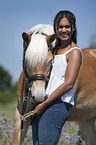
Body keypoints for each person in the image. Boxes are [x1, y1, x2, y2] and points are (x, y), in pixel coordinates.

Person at [31, 10, 82, 145]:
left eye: (67, 26)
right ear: (55, 29)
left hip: (57, 104)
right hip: (44, 103)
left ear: (73, 28)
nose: (64, 30)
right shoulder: (53, 50)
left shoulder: (74, 52)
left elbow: (68, 84)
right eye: (60, 27)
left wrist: (44, 105)